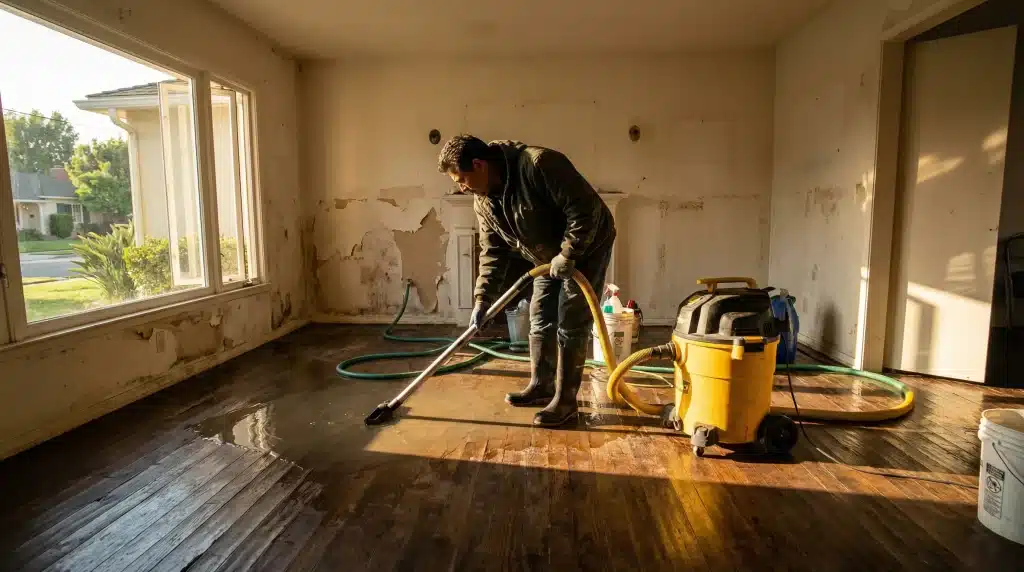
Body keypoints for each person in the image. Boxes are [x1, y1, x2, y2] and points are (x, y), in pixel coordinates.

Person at [437, 135, 616, 427]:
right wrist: (482, 300)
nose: (461, 187)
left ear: (479, 164)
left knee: (571, 319)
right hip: (543, 254)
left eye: (462, 179)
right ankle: (541, 385)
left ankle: (566, 402)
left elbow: (584, 210)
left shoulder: (539, 164)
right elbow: (493, 252)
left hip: (587, 246)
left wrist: (569, 253)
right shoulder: (483, 201)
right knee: (540, 316)